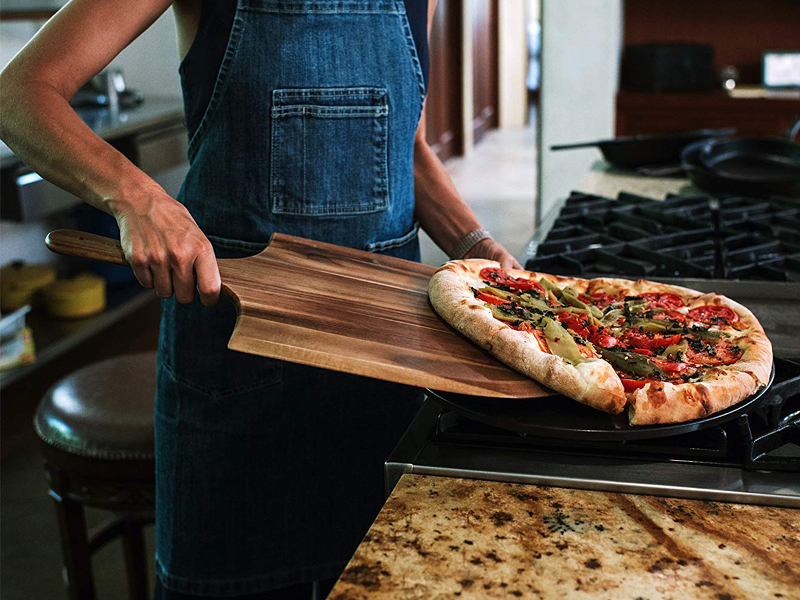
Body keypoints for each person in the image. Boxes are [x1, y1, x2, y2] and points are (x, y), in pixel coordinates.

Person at [0, 0, 521, 597]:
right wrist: (137, 200)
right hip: (241, 380)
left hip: (386, 372)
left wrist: (475, 241)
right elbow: (19, 95)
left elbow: (406, 141)